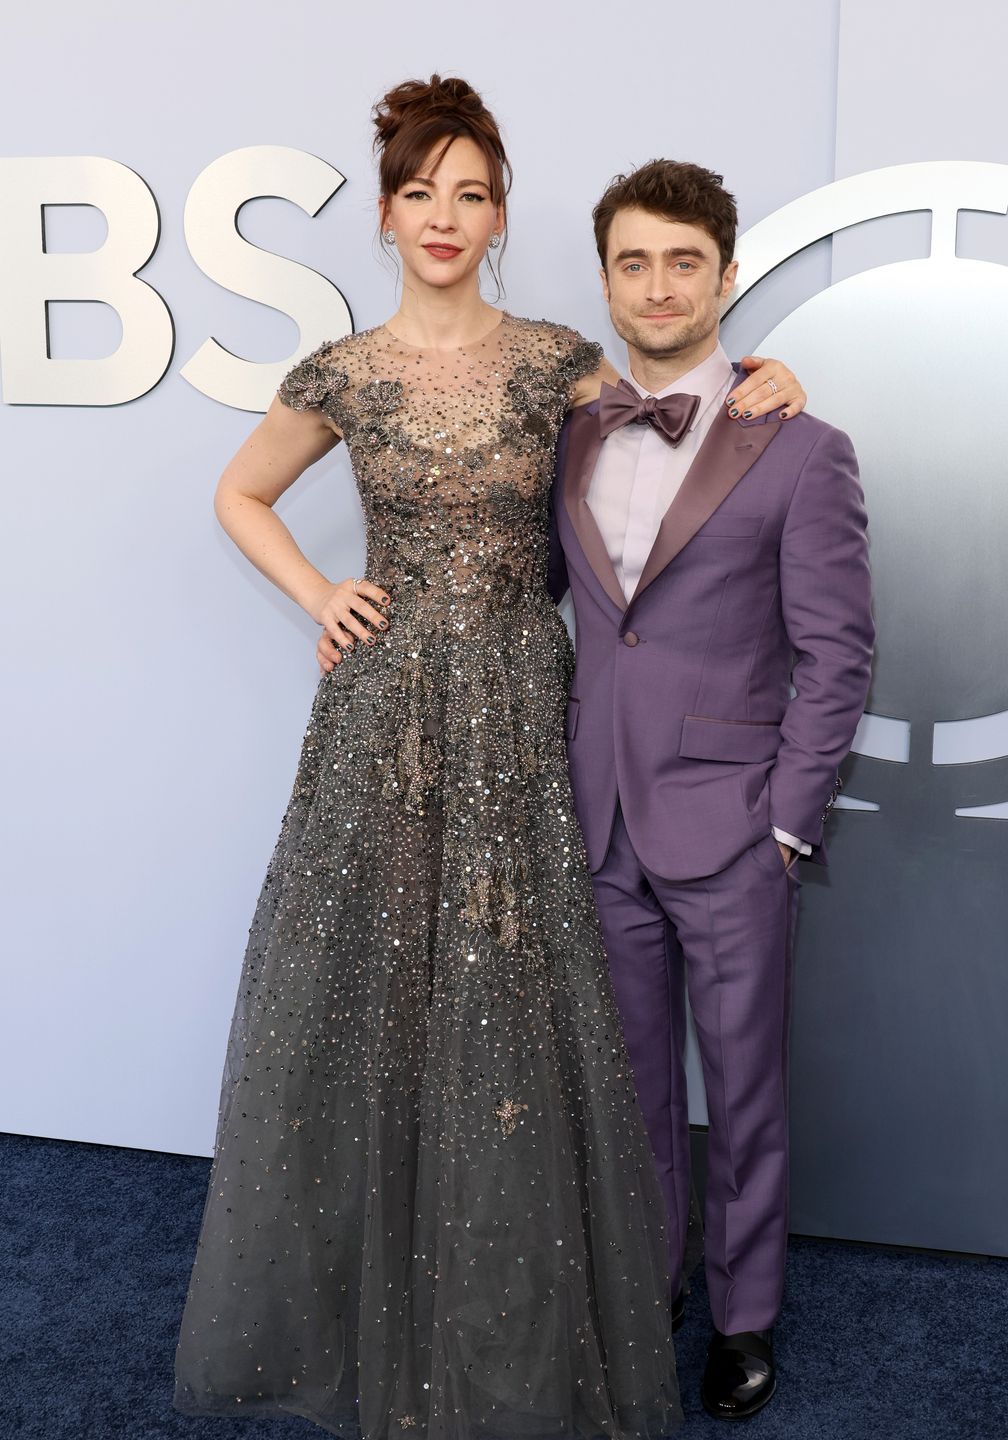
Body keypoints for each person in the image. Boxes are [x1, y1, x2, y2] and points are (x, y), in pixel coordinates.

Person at [176, 76, 803, 1440]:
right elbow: (240, 490)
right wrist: (316, 593)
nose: (445, 217)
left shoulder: (557, 360)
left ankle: (534, 1279)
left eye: (471, 193)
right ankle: (384, 1279)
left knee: (524, 996)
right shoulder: (341, 371)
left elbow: (669, 410)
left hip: (531, 709)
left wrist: (763, 379)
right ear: (390, 213)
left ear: (500, 214)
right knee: (383, 994)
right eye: (421, 192)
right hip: (389, 717)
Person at [544, 161, 873, 1420]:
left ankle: (744, 1316)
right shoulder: (572, 428)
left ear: (726, 275)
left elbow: (839, 652)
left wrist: (789, 819)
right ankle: (650, 1279)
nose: (660, 284)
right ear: (609, 279)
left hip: (737, 826)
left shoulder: (802, 448)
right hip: (600, 817)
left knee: (741, 1093)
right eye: (634, 262)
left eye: (684, 261)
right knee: (628, 1085)